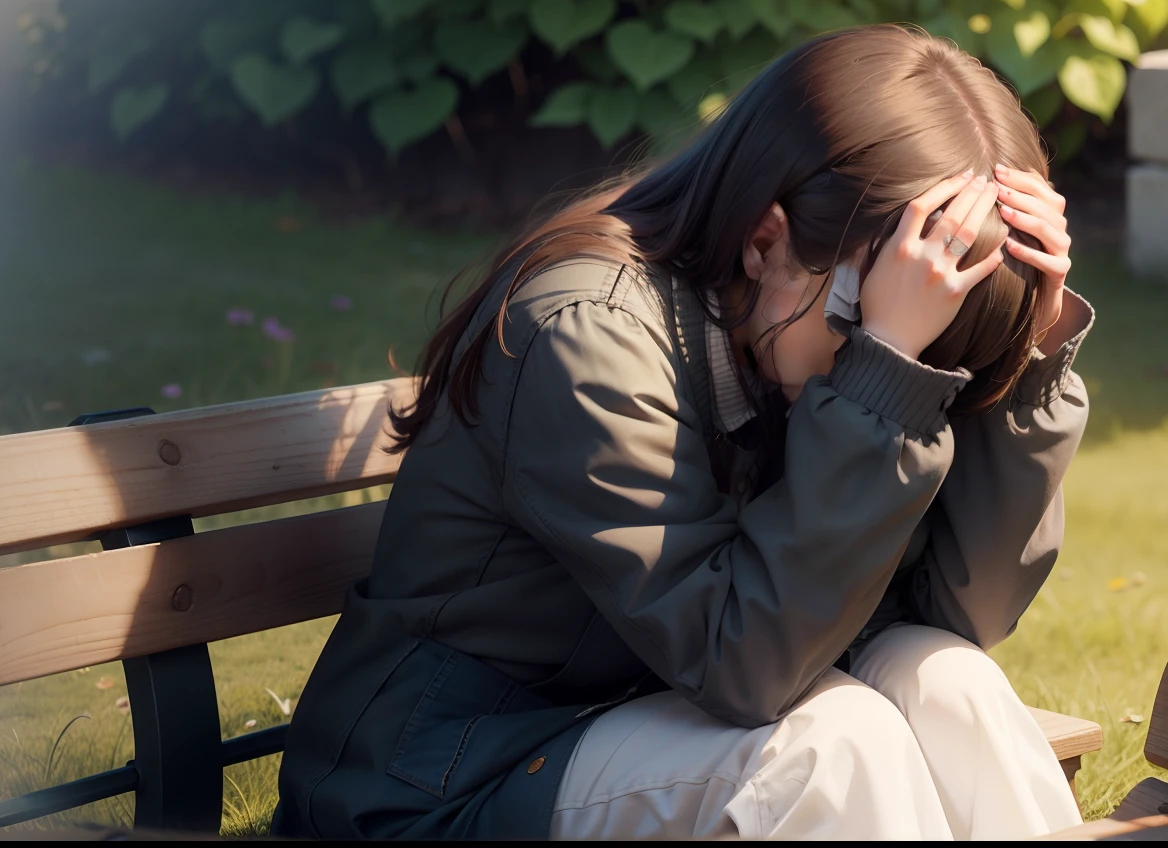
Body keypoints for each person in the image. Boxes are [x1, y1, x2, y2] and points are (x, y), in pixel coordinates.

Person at [274, 23, 1092, 841]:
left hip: (657, 720)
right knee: (832, 748)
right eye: (863, 328)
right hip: (446, 776)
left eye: (914, 348)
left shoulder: (800, 331)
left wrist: (1028, 354)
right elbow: (745, 665)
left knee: (948, 680)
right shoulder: (588, 336)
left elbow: (959, 612)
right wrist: (884, 380)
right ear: (765, 242)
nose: (880, 362)